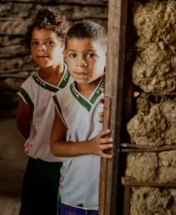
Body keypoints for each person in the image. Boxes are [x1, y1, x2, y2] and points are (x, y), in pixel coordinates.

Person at [50, 21, 112, 215]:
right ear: (65, 56)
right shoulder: (63, 98)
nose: (81, 62)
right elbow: (55, 146)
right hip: (73, 194)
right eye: (74, 55)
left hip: (106, 195)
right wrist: (91, 146)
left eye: (90, 55)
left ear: (107, 57)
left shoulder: (113, 94)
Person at [17, 8, 71, 215]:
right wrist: (37, 140)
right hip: (40, 163)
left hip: (71, 160)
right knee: (37, 207)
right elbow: (22, 122)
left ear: (64, 46)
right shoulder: (30, 87)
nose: (42, 48)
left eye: (49, 42)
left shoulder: (76, 80)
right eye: (35, 43)